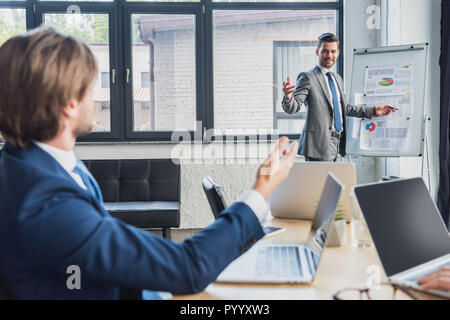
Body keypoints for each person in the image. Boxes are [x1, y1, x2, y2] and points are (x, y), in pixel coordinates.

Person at [0, 27, 298, 300]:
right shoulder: (45, 203)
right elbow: (186, 268)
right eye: (89, 88)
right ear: (69, 105)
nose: (97, 97)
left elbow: (105, 252)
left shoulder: (37, 163)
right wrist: (261, 190)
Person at [282, 33, 397, 162]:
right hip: (318, 144)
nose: (329, 55)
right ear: (317, 51)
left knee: (331, 181)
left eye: (332, 51)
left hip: (337, 142)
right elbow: (294, 107)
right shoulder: (308, 77)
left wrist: (374, 110)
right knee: (321, 182)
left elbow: (344, 108)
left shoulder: (337, 78)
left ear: (338, 52)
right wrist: (288, 97)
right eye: (325, 51)